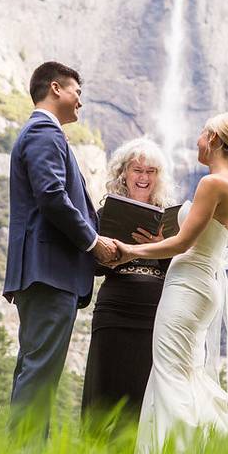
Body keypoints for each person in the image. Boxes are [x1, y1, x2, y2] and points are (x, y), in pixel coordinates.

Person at [110, 111, 228, 454]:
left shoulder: (213, 183)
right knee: (186, 375)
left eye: (203, 133)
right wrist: (160, 236)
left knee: (170, 375)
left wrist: (128, 250)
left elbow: (183, 245)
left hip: (186, 288)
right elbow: (200, 239)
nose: (197, 139)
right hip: (202, 286)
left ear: (215, 140)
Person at [3, 61, 118, 435]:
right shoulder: (43, 132)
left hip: (46, 272)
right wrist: (92, 241)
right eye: (77, 93)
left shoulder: (43, 134)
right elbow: (52, 196)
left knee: (37, 367)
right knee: (40, 370)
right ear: (55, 88)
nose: (80, 103)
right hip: (50, 272)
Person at [81, 138, 176, 423]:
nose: (143, 177)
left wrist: (163, 245)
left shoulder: (172, 220)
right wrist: (108, 250)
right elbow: (94, 266)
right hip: (114, 308)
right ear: (123, 173)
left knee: (143, 389)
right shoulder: (105, 213)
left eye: (151, 171)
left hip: (154, 312)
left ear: (158, 177)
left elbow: (180, 270)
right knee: (105, 385)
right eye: (137, 170)